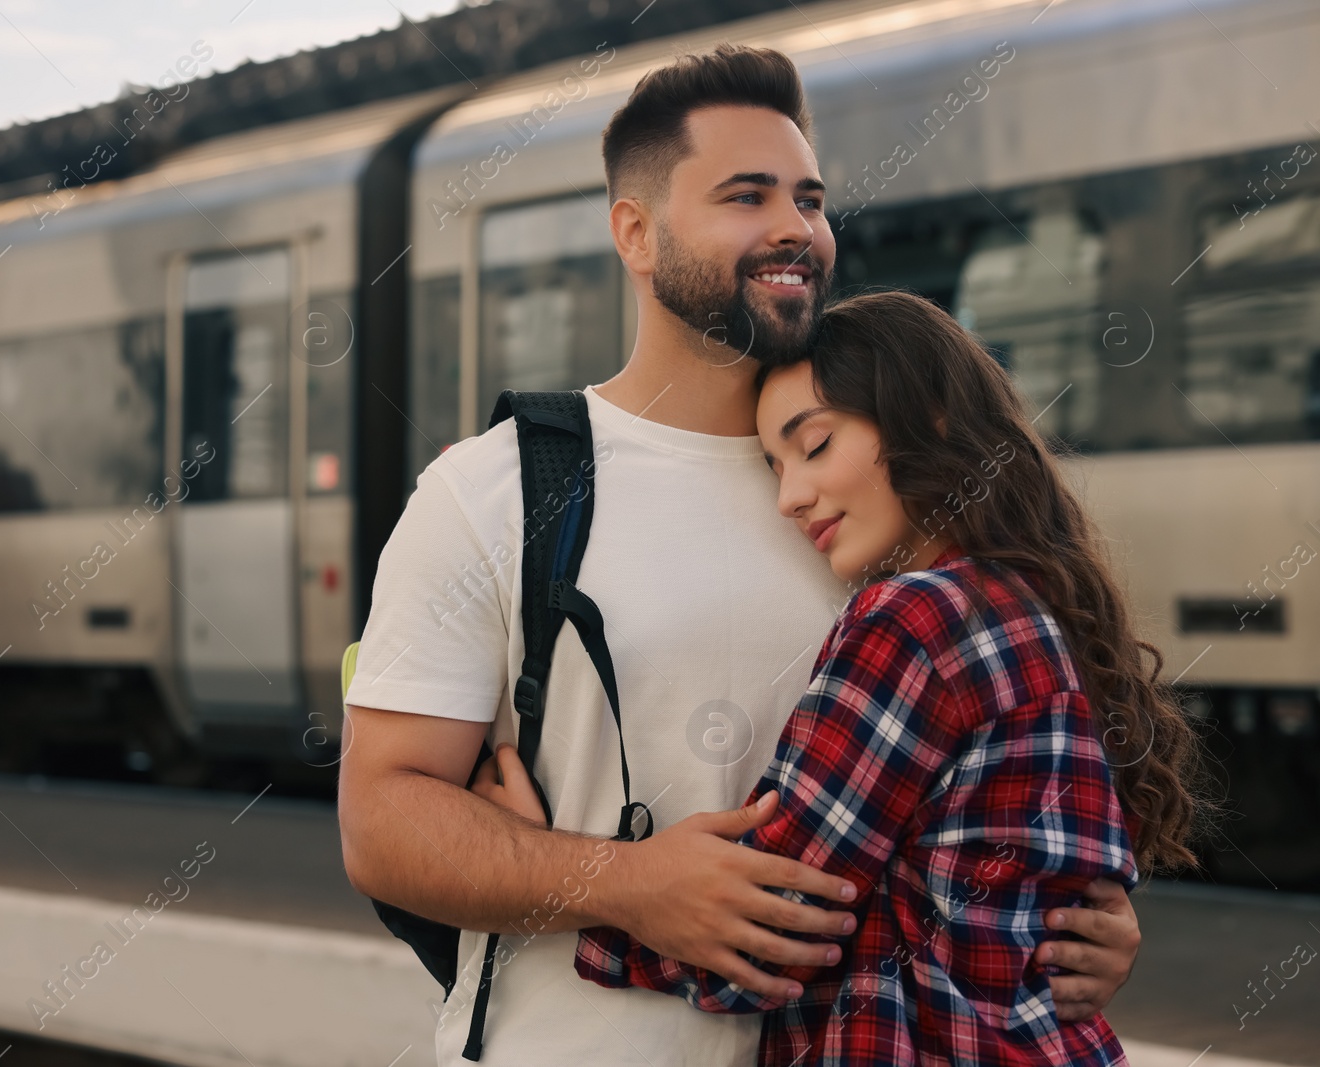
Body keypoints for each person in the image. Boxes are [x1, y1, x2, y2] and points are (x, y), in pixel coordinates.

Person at [338, 45, 1143, 1067]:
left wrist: (1056, 921)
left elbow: (998, 783)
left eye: (808, 198)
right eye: (744, 194)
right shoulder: (491, 490)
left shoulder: (879, 498)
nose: (793, 228)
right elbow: (380, 820)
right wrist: (619, 880)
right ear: (634, 230)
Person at [482, 290, 1203, 1064]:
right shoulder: (1037, 608)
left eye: (815, 445)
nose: (790, 496)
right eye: (775, 466)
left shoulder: (918, 621)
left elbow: (776, 928)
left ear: (925, 417)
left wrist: (555, 883)